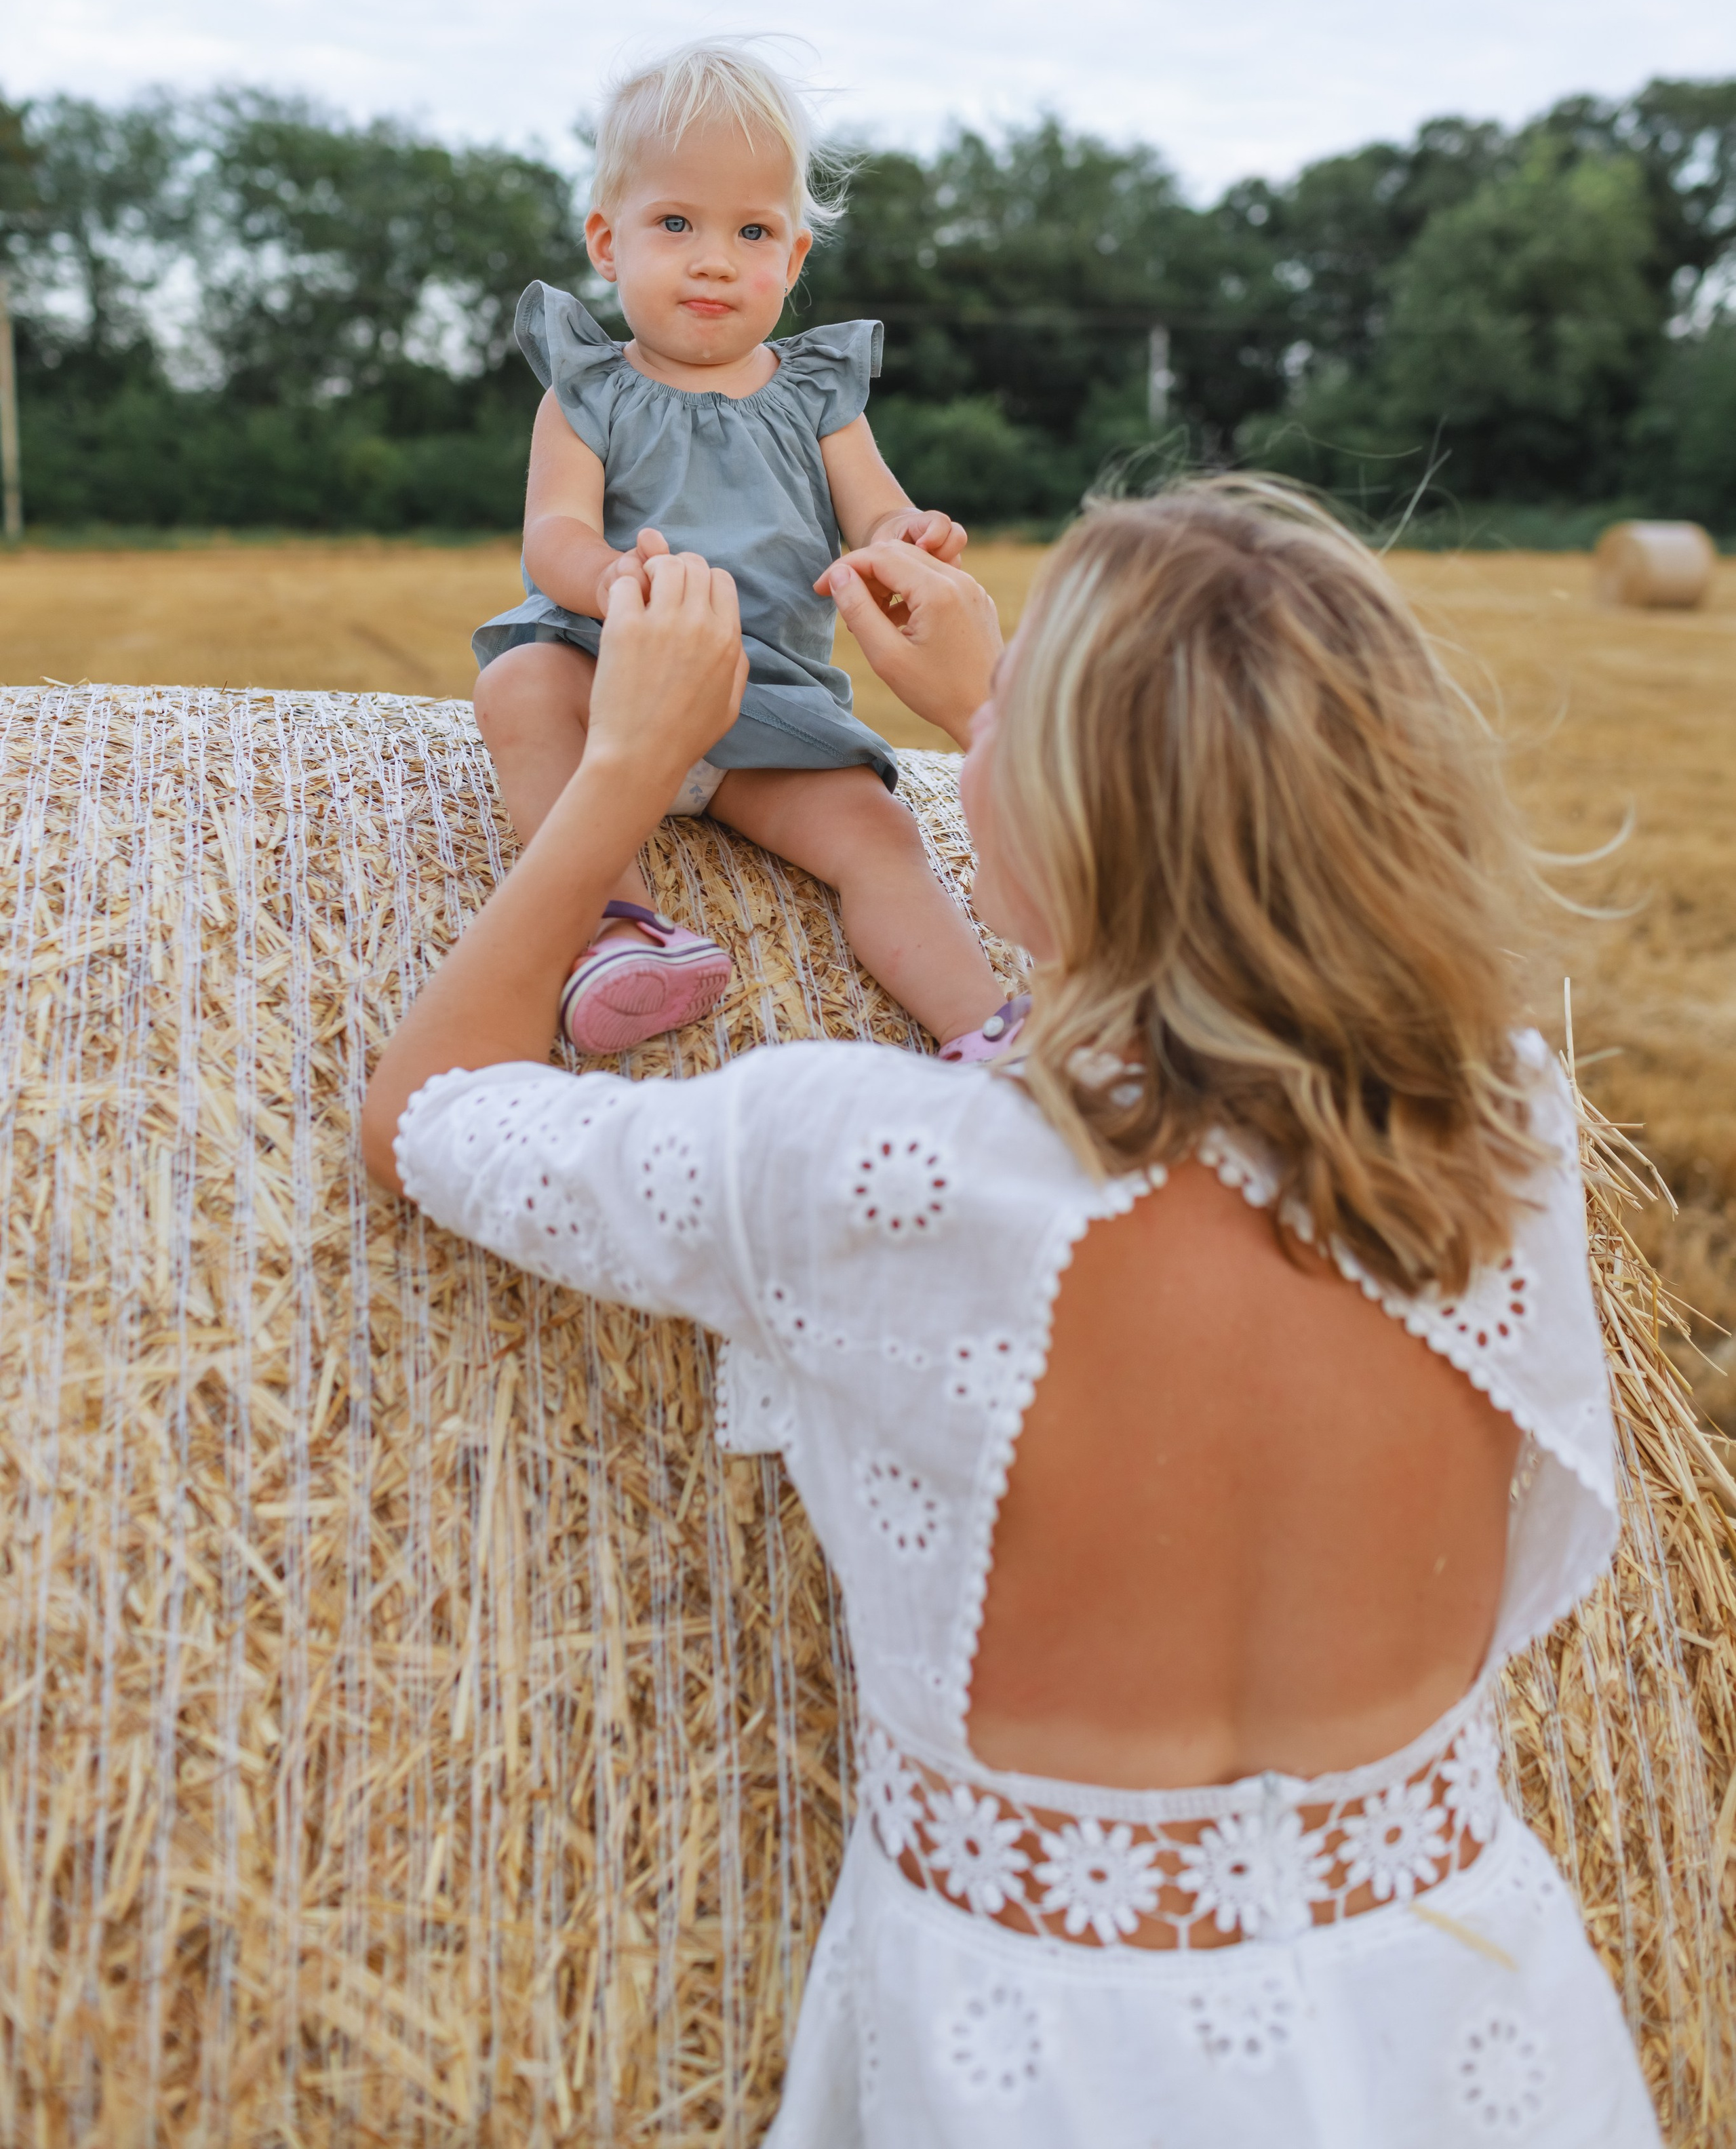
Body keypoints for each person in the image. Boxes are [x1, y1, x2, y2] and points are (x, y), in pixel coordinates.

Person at [362, 481, 1659, 2147]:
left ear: (1054, 811)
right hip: (1473, 2017)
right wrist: (1004, 711)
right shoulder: (1497, 1127)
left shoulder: (871, 1164)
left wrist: (619, 771)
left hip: (1045, 2070)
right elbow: (1190, 962)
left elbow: (429, 1110)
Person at [467, 38, 1014, 1061]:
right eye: (676, 223)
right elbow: (554, 537)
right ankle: (620, 931)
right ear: (608, 243)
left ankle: (985, 1031)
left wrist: (909, 538)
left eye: (752, 230)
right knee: (519, 686)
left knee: (883, 837)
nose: (714, 258)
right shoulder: (588, 391)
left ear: (794, 260)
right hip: (618, 679)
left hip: (772, 710)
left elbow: (879, 515)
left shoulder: (817, 394)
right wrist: (610, 579)